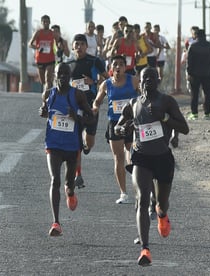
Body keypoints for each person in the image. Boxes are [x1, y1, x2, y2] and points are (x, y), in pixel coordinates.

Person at [114, 66, 189, 266]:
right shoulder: (132, 103)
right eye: (144, 77)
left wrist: (163, 117)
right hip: (141, 157)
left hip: (163, 157)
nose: (148, 81)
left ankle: (162, 214)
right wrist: (123, 128)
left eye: (152, 77)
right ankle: (145, 249)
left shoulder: (167, 101)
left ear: (158, 79)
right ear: (140, 81)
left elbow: (184, 128)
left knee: (161, 204)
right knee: (141, 199)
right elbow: (118, 127)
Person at [38, 62, 95, 236]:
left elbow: (91, 118)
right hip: (53, 144)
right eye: (59, 73)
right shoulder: (49, 94)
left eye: (65, 74)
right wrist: (43, 112)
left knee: (69, 184)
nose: (62, 76)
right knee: (55, 180)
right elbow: (47, 112)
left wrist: (76, 117)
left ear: (70, 76)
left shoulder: (77, 95)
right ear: (54, 75)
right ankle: (56, 223)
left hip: (72, 147)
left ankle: (70, 192)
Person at [92, 55, 140, 204]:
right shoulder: (106, 85)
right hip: (115, 124)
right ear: (111, 68)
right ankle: (123, 193)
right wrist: (94, 108)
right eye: (115, 65)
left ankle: (139, 190)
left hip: (131, 122)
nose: (118, 67)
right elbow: (97, 101)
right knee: (118, 158)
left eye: (121, 64)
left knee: (133, 156)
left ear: (125, 67)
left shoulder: (133, 80)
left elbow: (143, 96)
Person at [69, 34, 109, 187]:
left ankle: (87, 146)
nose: (79, 47)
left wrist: (93, 82)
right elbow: (61, 82)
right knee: (76, 142)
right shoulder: (68, 63)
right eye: (76, 44)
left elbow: (107, 79)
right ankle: (78, 175)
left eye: (82, 44)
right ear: (73, 46)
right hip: (73, 106)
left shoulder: (94, 61)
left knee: (89, 142)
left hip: (91, 104)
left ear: (86, 46)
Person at [186, 29, 210, 120]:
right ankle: (207, 114)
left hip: (194, 73)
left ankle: (194, 114)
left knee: (194, 94)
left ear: (196, 36)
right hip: (207, 72)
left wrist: (189, 72)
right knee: (207, 93)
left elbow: (189, 61)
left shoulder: (192, 46)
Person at [28, 15, 56, 92]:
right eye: (44, 22)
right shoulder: (38, 33)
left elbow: (58, 42)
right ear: (41, 23)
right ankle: (48, 90)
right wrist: (37, 48)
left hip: (50, 59)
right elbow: (30, 44)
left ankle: (49, 96)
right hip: (40, 60)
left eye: (47, 22)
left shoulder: (52, 33)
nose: (46, 23)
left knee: (48, 79)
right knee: (43, 81)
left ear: (50, 22)